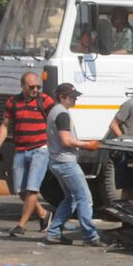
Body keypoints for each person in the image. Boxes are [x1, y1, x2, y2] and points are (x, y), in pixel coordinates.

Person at [0, 72, 54, 236]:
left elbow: (57, 119)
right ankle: (43, 214)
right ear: (22, 86)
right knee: (20, 189)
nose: (35, 90)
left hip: (40, 149)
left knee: (32, 189)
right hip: (20, 149)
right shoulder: (13, 102)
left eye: (37, 87)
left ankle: (21, 225)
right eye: (31, 87)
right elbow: (5, 125)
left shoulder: (44, 100)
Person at [44, 83, 104, 247]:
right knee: (85, 198)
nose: (75, 98)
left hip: (57, 161)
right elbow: (66, 140)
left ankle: (54, 232)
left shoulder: (55, 112)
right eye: (72, 96)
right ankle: (90, 236)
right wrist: (87, 145)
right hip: (66, 162)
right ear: (62, 97)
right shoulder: (62, 114)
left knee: (70, 198)